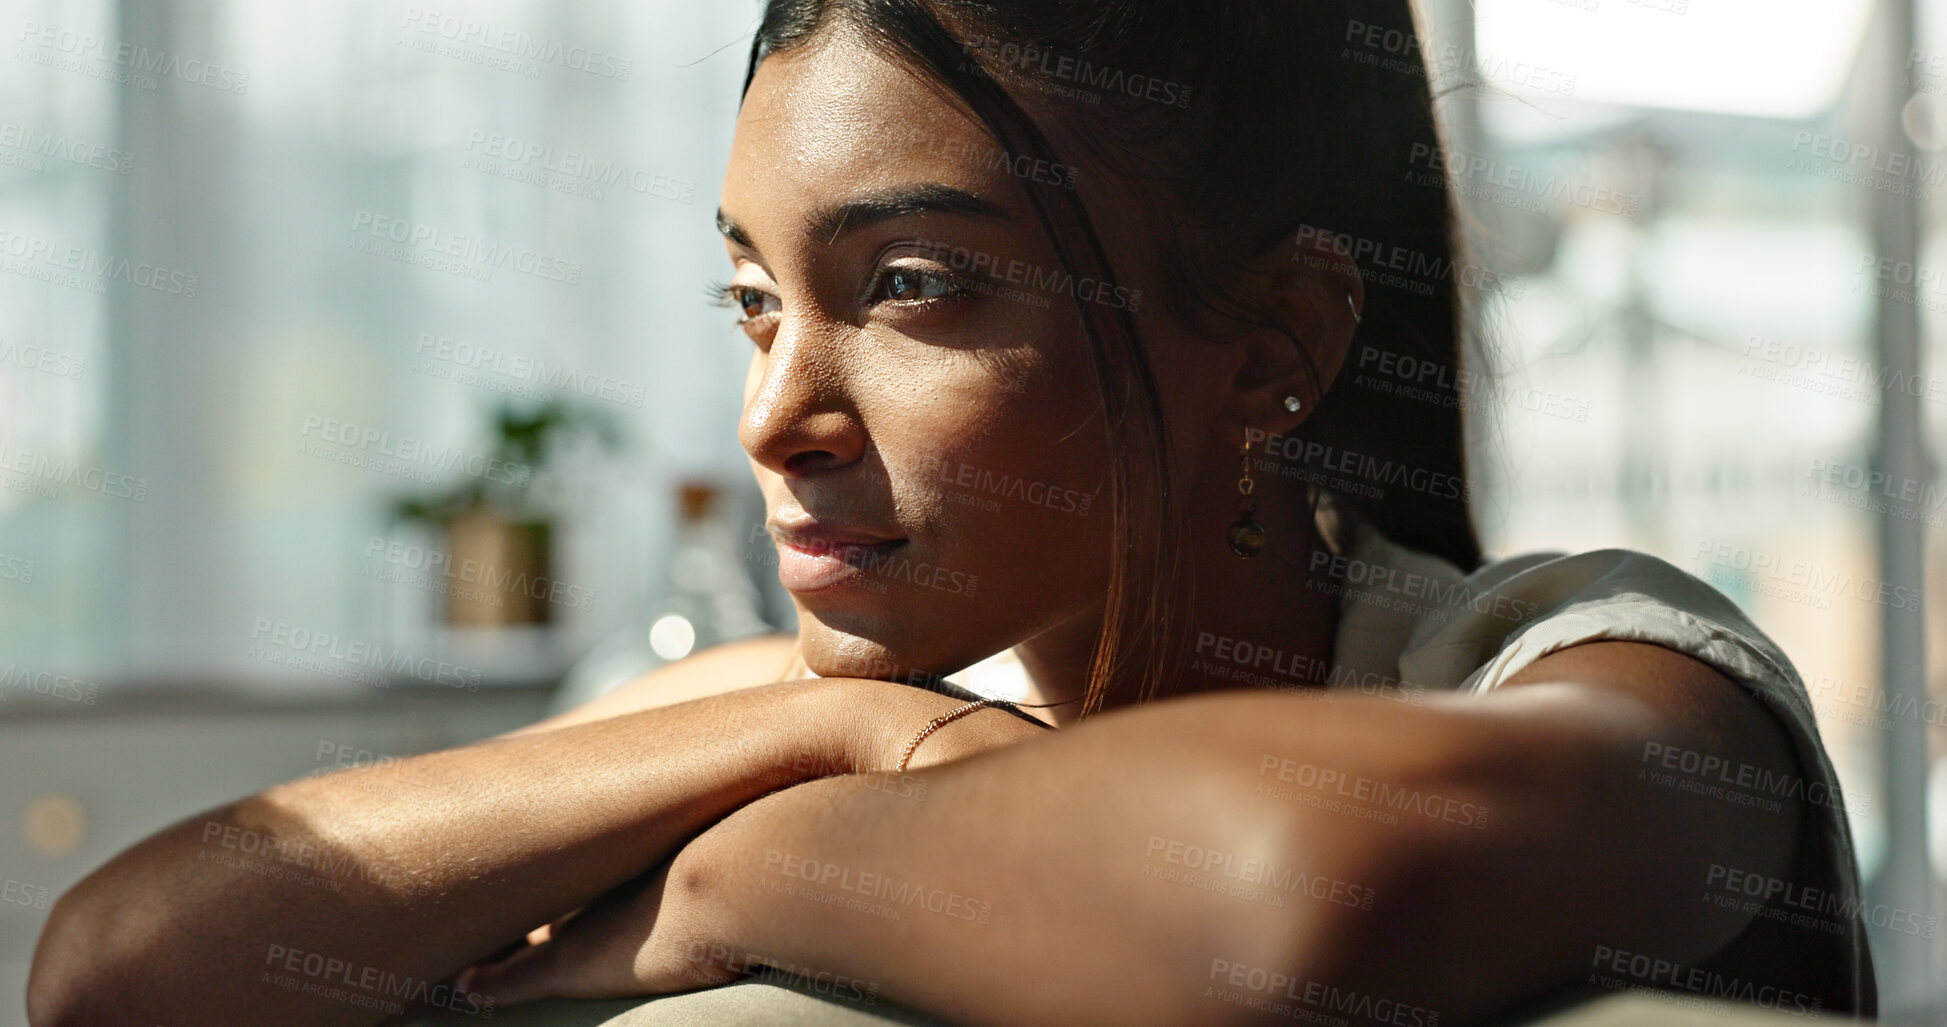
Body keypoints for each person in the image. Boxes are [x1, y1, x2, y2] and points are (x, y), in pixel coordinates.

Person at [26, 1, 1875, 1024]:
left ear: (1278, 346)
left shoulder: (1590, 670)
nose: (776, 417)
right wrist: (843, 729)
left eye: (910, 287)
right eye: (754, 299)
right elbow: (115, 977)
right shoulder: (822, 717)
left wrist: (739, 881)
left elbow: (1283, 902)